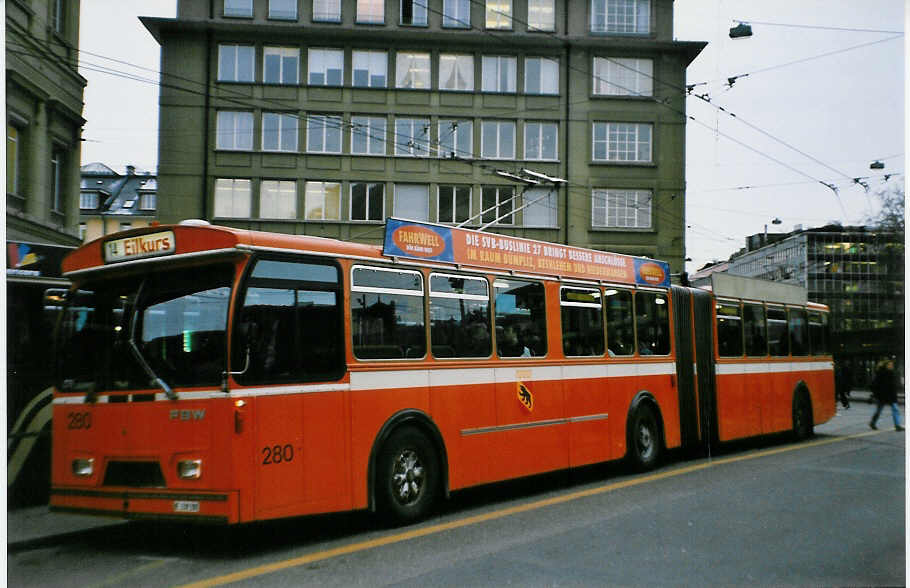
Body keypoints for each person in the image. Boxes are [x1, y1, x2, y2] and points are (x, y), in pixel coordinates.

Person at [870, 359, 903, 431]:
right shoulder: (880, 374)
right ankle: (873, 422)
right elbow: (874, 385)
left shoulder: (892, 373)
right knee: (878, 411)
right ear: (886, 366)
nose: (891, 366)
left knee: (895, 409)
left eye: (892, 365)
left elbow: (893, 385)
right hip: (882, 396)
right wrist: (876, 394)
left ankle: (897, 426)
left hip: (891, 395)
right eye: (890, 365)